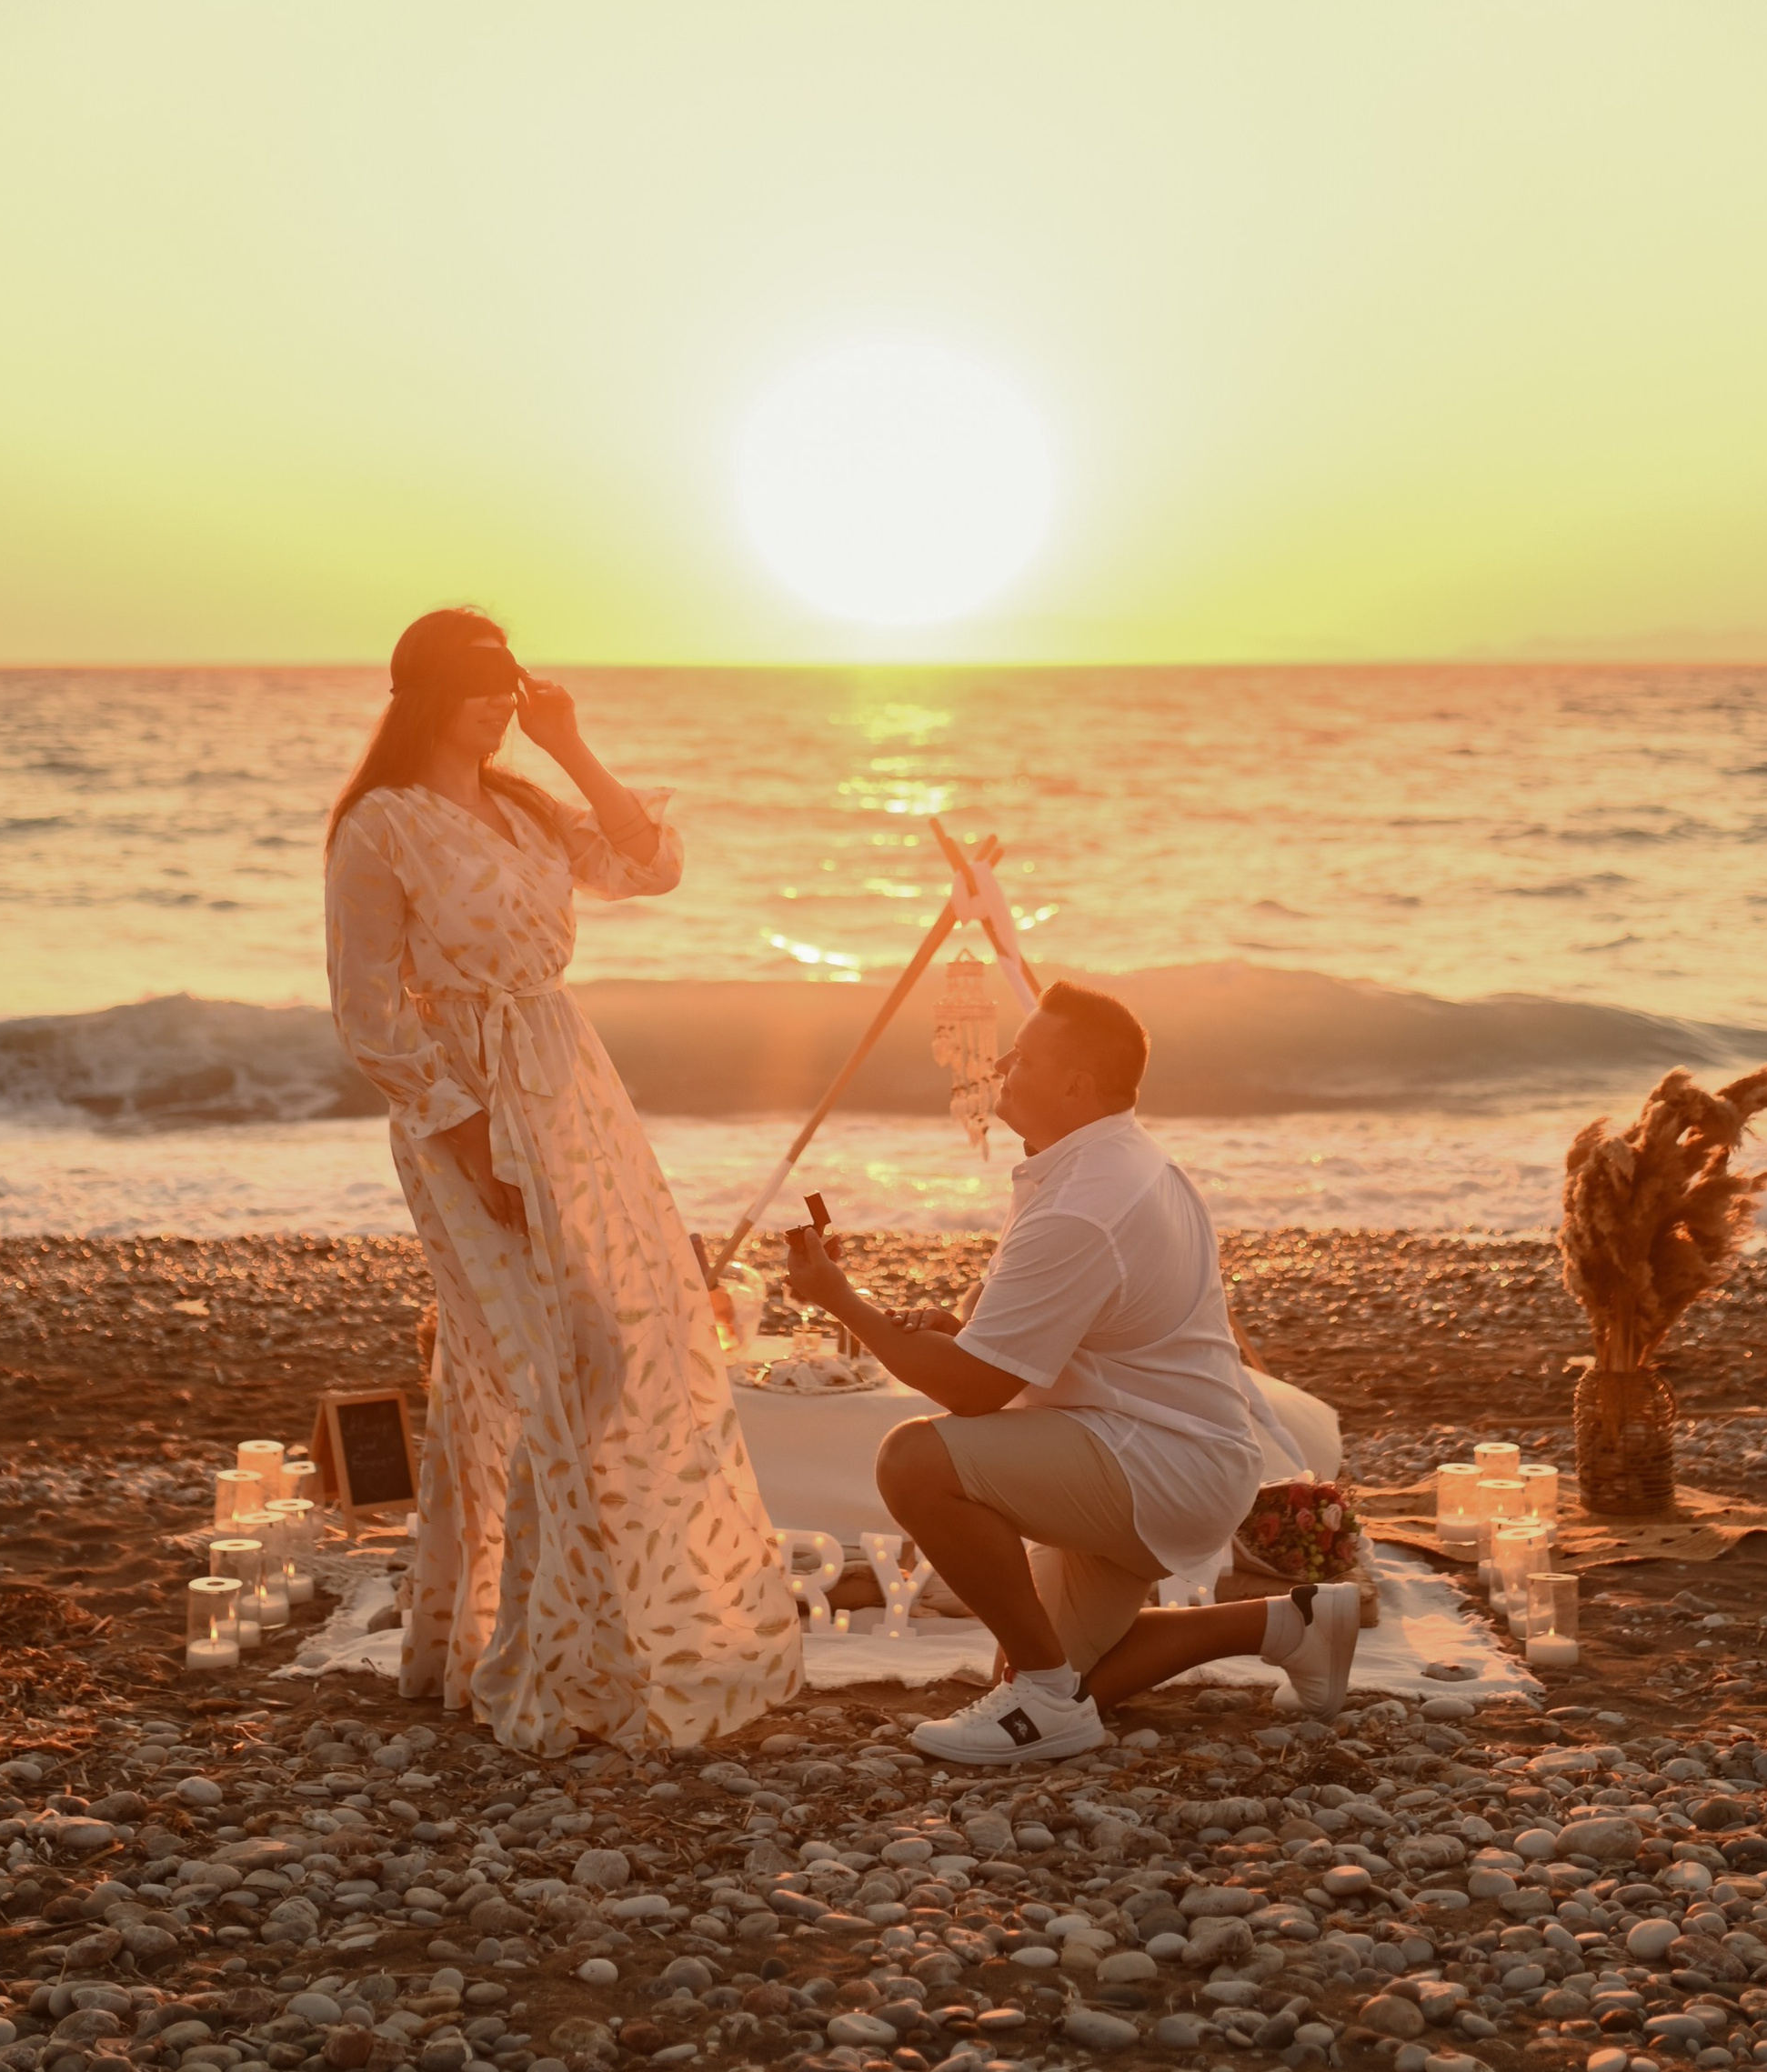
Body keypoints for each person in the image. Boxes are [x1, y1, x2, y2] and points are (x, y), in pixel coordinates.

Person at [325, 606, 802, 1751]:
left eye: (510, 677)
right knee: (548, 1356)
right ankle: (552, 1649)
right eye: (479, 681)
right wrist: (467, 1133)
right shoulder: (379, 825)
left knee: (573, 1353)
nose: (501, 697)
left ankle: (489, 1631)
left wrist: (570, 743)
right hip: (465, 1103)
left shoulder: (527, 805)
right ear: (426, 692)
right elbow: (367, 1011)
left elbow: (651, 865)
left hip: (570, 1085)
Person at [784, 979, 1358, 1764]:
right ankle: (1294, 1624)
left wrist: (839, 1300)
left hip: (1160, 1463)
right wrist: (965, 1332)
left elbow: (971, 1392)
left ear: (1075, 1086)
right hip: (1155, 1443)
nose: (1002, 1067)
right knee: (1031, 1662)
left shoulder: (1085, 1202)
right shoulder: (1107, 1160)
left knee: (914, 1460)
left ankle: (1049, 1700)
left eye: (1023, 1058)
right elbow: (1063, 1339)